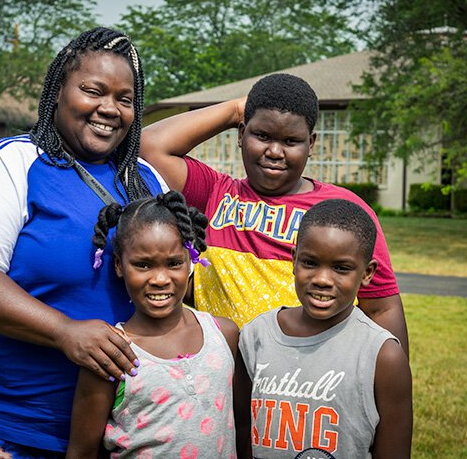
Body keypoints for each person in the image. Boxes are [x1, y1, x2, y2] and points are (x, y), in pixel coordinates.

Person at [0, 27, 168, 457]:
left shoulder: (147, 181)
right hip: (16, 420)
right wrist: (65, 332)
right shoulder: (10, 162)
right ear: (58, 91)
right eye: (93, 91)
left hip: (125, 429)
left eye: (125, 99)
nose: (109, 109)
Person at [140, 73, 409, 353]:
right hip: (228, 384)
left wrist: (391, 385)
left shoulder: (343, 212)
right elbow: (150, 147)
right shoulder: (215, 193)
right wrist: (234, 110)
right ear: (242, 134)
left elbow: (382, 308)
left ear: (311, 144)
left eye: (291, 141)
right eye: (262, 135)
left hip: (311, 385)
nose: (275, 151)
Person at [66, 191, 239, 458]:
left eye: (173, 263)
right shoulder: (111, 353)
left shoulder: (224, 335)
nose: (160, 278)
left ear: (191, 260)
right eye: (143, 265)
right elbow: (82, 452)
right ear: (119, 266)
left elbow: (241, 425)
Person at [234, 199, 413, 458]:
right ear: (294, 260)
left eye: (341, 268)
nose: (322, 280)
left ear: (367, 273)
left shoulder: (382, 356)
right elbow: (242, 427)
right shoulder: (255, 337)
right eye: (310, 263)